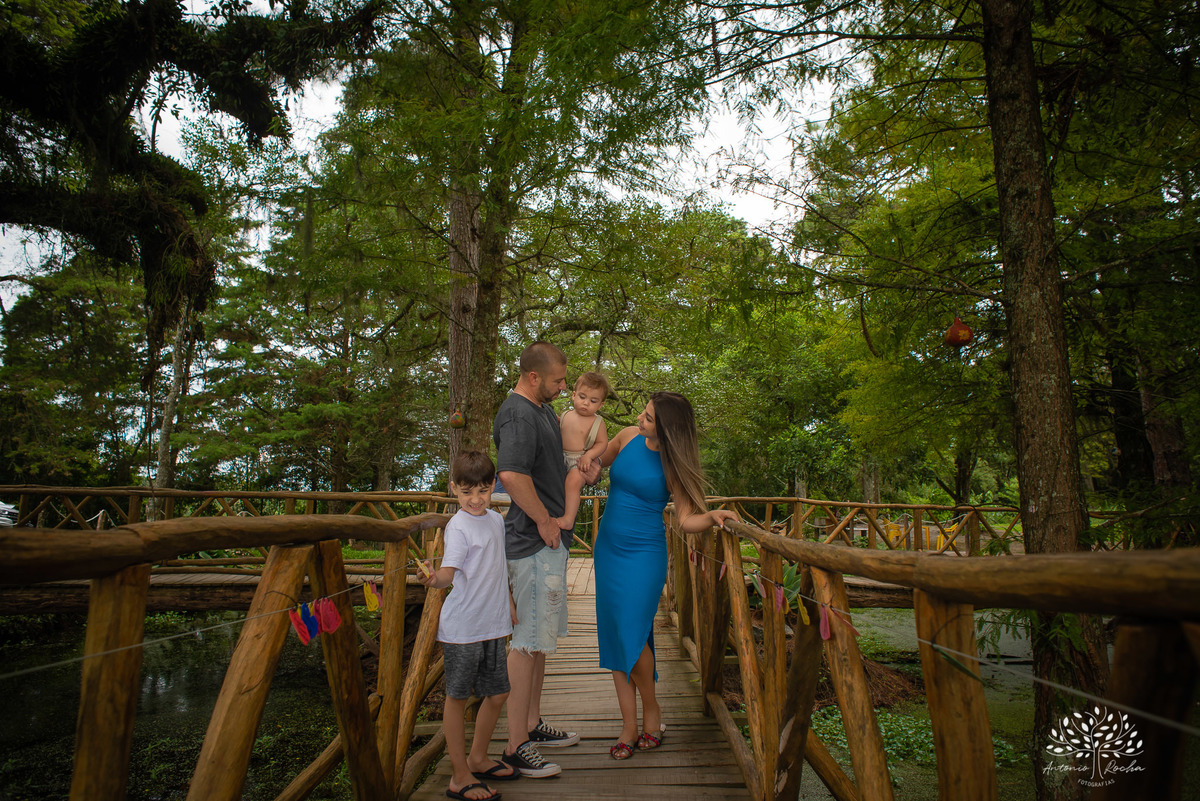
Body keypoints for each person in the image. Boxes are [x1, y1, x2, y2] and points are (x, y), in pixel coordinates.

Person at [593, 391, 739, 760]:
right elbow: (598, 462)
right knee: (617, 635)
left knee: (631, 631)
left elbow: (687, 519)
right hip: (608, 549)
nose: (640, 419)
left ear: (668, 429)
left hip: (644, 555)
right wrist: (583, 461)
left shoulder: (674, 465)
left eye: (649, 417)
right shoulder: (627, 436)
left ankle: (653, 710)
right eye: (643, 412)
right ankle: (630, 724)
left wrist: (713, 516)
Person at [493, 341, 601, 777]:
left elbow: (550, 467)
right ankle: (514, 745)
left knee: (538, 641)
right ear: (534, 376)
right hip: (533, 541)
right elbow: (511, 474)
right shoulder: (519, 412)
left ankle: (531, 724)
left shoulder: (539, 410)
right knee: (524, 644)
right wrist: (544, 521)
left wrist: (586, 471)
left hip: (549, 541)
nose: (564, 387)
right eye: (559, 380)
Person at [419, 451, 518, 801]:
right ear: (454, 490)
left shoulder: (495, 519)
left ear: (493, 486)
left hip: (493, 623)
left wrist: (507, 601)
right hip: (463, 628)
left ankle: (477, 756)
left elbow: (498, 564)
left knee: (499, 692)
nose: (475, 500)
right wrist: (434, 580)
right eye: (466, 492)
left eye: (482, 490)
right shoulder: (457, 526)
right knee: (458, 698)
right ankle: (459, 776)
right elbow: (449, 572)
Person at [557, 371, 610, 530]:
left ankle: (568, 519)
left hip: (579, 461)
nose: (586, 403)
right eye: (582, 397)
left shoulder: (597, 422)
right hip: (559, 457)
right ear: (573, 395)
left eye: (593, 401)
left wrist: (589, 456)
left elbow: (602, 443)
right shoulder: (566, 415)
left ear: (600, 404)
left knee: (572, 483)